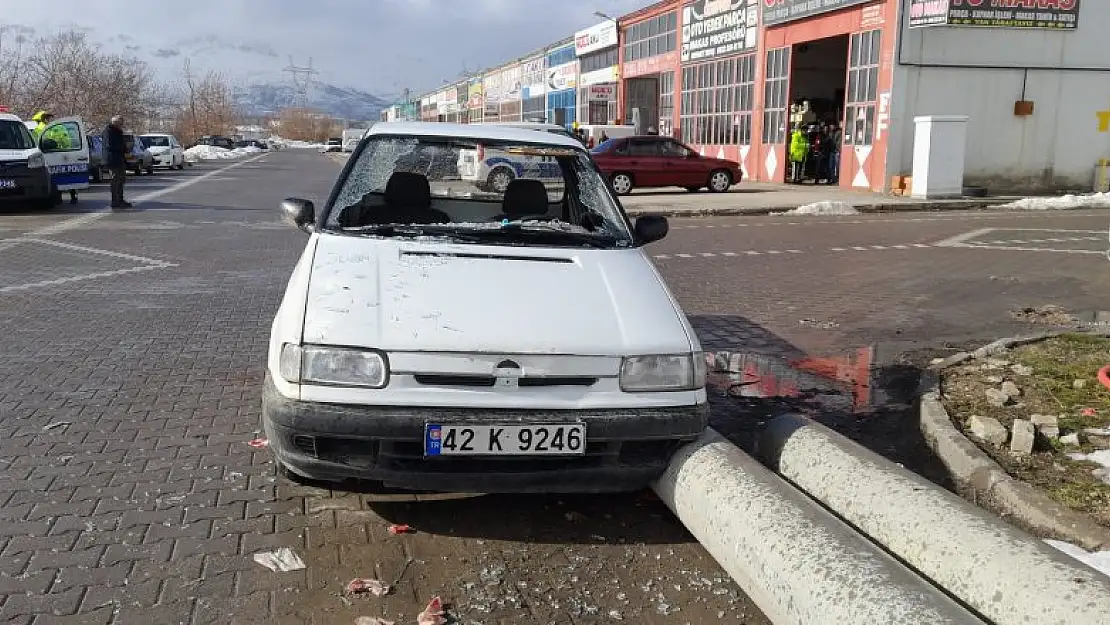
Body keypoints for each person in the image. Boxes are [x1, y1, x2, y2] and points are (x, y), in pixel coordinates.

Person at [103, 115, 131, 209]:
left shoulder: (117, 131)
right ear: (115, 123)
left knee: (121, 180)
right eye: (120, 124)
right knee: (115, 181)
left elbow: (120, 143)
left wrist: (126, 148)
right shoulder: (108, 131)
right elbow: (109, 145)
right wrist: (122, 147)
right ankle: (115, 201)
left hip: (119, 159)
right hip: (112, 159)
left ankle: (120, 199)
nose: (121, 126)